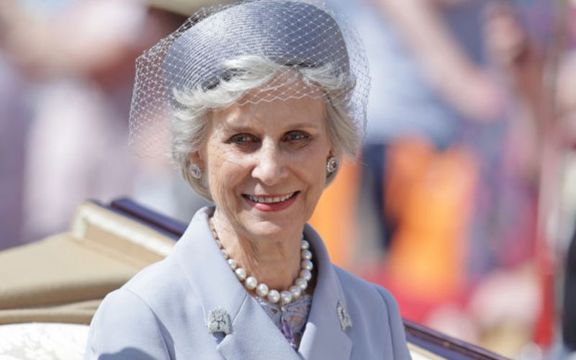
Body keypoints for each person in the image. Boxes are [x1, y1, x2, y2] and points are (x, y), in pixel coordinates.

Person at [85, 1, 411, 359]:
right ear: (197, 153)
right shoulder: (142, 315)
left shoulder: (375, 312)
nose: (270, 170)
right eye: (243, 140)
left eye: (297, 137)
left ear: (332, 148)